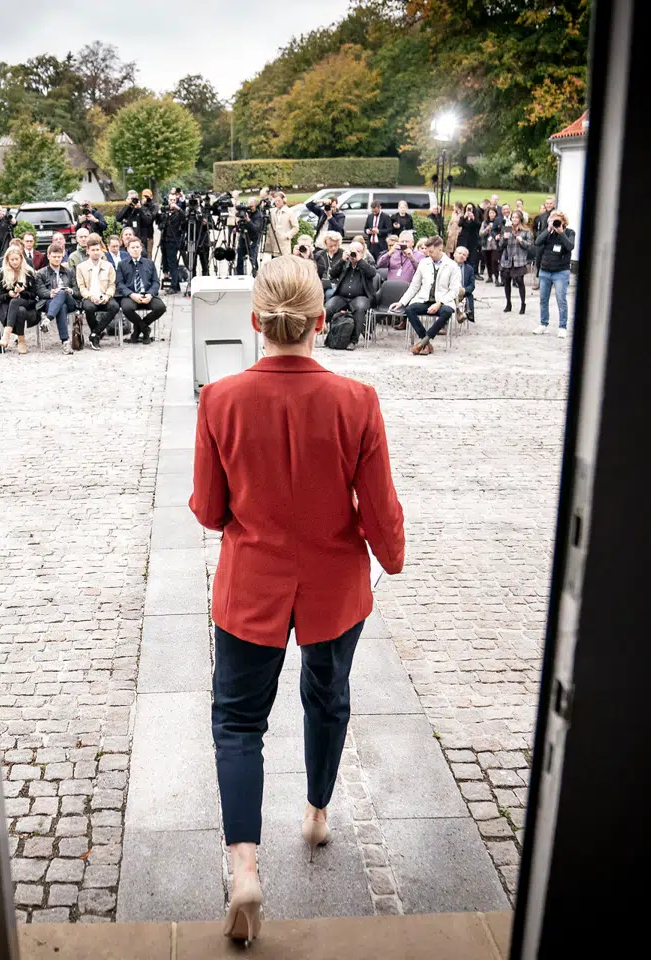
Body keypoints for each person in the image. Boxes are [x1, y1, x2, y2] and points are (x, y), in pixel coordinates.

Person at [188, 254, 405, 946]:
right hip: (333, 586)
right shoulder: (357, 401)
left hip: (251, 584)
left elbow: (209, 509)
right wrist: (392, 557)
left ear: (256, 321)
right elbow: (380, 508)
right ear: (320, 321)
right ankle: (315, 812)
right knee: (328, 696)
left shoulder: (220, 400)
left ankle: (244, 868)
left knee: (237, 722)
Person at [390, 235, 457, 355]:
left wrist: (439, 303)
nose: (429, 254)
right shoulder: (424, 263)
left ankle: (424, 341)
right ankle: (425, 342)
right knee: (410, 309)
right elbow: (414, 286)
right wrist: (401, 302)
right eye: (427, 251)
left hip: (443, 301)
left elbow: (454, 290)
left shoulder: (452, 265)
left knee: (447, 311)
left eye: (431, 251)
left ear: (440, 249)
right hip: (424, 300)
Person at [325, 240, 378, 348]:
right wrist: (342, 260)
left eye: (358, 251)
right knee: (328, 307)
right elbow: (332, 274)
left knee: (359, 308)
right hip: (342, 297)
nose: (354, 254)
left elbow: (372, 273)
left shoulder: (366, 264)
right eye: (352, 251)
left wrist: (359, 261)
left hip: (361, 297)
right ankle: (331, 337)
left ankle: (353, 341)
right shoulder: (345, 263)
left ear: (362, 253)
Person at [116, 238, 165, 343]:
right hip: (131, 295)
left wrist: (150, 294)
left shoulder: (149, 263)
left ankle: (138, 330)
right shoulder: (122, 264)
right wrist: (131, 294)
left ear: (141, 248)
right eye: (132, 247)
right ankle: (145, 330)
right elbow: (120, 284)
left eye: (137, 247)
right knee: (127, 308)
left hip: (147, 294)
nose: (135, 249)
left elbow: (156, 282)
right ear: (128, 249)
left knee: (161, 307)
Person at [534, 210, 575, 337]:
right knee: (543, 299)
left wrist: (561, 232)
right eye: (553, 220)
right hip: (545, 271)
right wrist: (548, 229)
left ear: (564, 221)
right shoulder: (547, 233)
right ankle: (543, 324)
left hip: (561, 272)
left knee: (561, 300)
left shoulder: (569, 232)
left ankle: (562, 327)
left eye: (558, 220)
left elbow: (570, 246)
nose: (555, 222)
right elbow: (537, 242)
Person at [33, 245, 80, 355]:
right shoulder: (41, 273)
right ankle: (65, 342)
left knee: (62, 292)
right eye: (54, 257)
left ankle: (48, 319)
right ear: (48, 256)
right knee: (61, 306)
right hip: (50, 302)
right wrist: (50, 293)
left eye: (59, 257)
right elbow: (39, 291)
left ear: (62, 256)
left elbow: (77, 291)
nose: (57, 259)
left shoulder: (70, 271)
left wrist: (71, 291)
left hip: (70, 301)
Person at [75, 236, 119, 350]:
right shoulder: (81, 267)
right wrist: (90, 296)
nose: (95, 252)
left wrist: (107, 296)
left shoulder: (108, 266)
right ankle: (96, 336)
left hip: (104, 295)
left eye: (98, 250)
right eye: (93, 250)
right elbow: (81, 287)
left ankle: (95, 333)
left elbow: (112, 284)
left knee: (114, 306)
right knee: (89, 308)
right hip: (89, 297)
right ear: (88, 251)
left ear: (101, 250)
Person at [0, 246, 35, 354]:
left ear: (21, 259)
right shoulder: (2, 272)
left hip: (27, 302)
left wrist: (23, 291)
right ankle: (21, 340)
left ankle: (6, 335)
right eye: (12, 259)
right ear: (7, 260)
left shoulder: (28, 272)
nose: (15, 262)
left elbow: (34, 294)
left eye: (17, 259)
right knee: (20, 310)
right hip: (7, 305)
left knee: (16, 303)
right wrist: (9, 294)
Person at [497, 210, 534, 314]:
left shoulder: (526, 230)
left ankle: (523, 304)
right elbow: (500, 245)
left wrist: (521, 240)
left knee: (520, 281)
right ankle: (508, 303)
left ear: (520, 219)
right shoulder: (507, 229)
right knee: (506, 281)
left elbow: (530, 246)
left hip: (519, 259)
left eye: (516, 217)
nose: (514, 219)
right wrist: (504, 238)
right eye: (513, 217)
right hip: (507, 259)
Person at [157, 197, 188, 295]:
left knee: (172, 263)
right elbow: (159, 224)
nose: (172, 202)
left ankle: (174, 286)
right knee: (166, 262)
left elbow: (185, 219)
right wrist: (160, 213)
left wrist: (178, 208)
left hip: (173, 240)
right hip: (164, 240)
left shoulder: (178, 213)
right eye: (170, 200)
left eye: (174, 200)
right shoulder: (165, 213)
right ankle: (175, 284)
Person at [263, 192, 297, 260]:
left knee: (284, 262)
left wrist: (287, 235)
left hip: (284, 244)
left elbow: (296, 227)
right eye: (275, 201)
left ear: (283, 200)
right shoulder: (272, 211)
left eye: (279, 201)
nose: (277, 203)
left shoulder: (289, 212)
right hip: (274, 244)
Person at [530, 198, 555, 291]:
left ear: (553, 204)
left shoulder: (556, 215)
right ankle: (540, 282)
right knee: (539, 262)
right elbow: (537, 228)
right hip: (541, 242)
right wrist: (538, 236)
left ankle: (548, 283)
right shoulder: (542, 216)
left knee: (549, 262)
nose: (548, 205)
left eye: (550, 203)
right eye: (547, 203)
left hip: (551, 242)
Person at [234, 198, 262, 277]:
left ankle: (255, 275)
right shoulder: (245, 212)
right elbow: (241, 224)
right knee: (239, 258)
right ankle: (240, 276)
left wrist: (249, 221)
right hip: (243, 238)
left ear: (256, 205)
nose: (250, 208)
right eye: (249, 206)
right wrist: (236, 227)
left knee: (253, 259)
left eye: (252, 206)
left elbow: (256, 229)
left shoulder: (258, 215)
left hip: (253, 240)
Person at [453, 245, 477, 323]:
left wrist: (464, 290)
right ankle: (459, 314)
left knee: (469, 295)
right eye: (459, 253)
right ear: (454, 254)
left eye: (464, 255)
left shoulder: (469, 269)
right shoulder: (447, 266)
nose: (461, 256)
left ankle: (468, 313)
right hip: (450, 292)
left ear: (466, 258)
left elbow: (472, 285)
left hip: (462, 292)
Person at [458, 204, 481, 271]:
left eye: (470, 208)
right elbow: (459, 224)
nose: (469, 210)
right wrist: (464, 217)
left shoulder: (476, 217)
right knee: (463, 256)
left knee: (472, 258)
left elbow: (479, 225)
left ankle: (471, 271)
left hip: (472, 240)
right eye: (468, 208)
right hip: (464, 240)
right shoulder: (463, 217)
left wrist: (473, 218)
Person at [479, 210, 499, 286]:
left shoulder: (498, 222)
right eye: (490, 213)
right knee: (488, 261)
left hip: (495, 245)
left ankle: (496, 277)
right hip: (486, 245)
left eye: (493, 213)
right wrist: (487, 229)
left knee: (494, 261)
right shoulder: (484, 222)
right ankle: (490, 276)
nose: (492, 214)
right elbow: (481, 233)